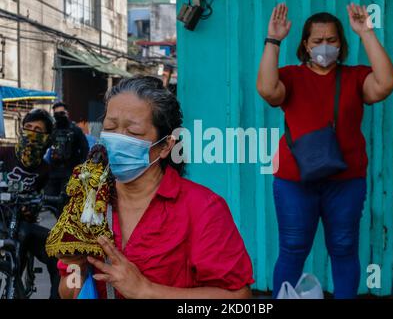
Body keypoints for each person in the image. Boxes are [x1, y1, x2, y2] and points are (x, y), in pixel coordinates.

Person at [57, 76, 255, 299]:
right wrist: (77, 267)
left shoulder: (203, 208)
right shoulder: (90, 204)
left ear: (165, 146)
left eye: (133, 133)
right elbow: (68, 290)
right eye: (110, 128)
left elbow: (239, 297)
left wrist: (146, 290)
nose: (118, 140)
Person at [257, 3, 393, 299]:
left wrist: (367, 32)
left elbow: (385, 83)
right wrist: (273, 41)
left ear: (341, 44)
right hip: (294, 180)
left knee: (344, 247)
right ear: (306, 45)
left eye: (331, 40)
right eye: (317, 41)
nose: (324, 46)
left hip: (346, 180)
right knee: (293, 248)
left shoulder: (356, 77)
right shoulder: (291, 76)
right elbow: (268, 90)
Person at [0, 109, 60, 299]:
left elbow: (40, 199)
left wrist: (31, 208)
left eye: (38, 130)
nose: (32, 133)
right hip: (2, 223)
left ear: (47, 139)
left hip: (22, 224)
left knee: (59, 251)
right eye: (28, 128)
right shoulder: (4, 153)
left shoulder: (45, 169)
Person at [45, 103, 89, 217]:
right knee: (49, 200)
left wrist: (82, 169)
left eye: (61, 113)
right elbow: (44, 146)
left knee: (66, 202)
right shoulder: (52, 130)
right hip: (53, 172)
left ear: (67, 113)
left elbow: (85, 149)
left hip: (70, 172)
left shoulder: (75, 130)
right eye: (56, 114)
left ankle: (65, 225)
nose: (59, 116)